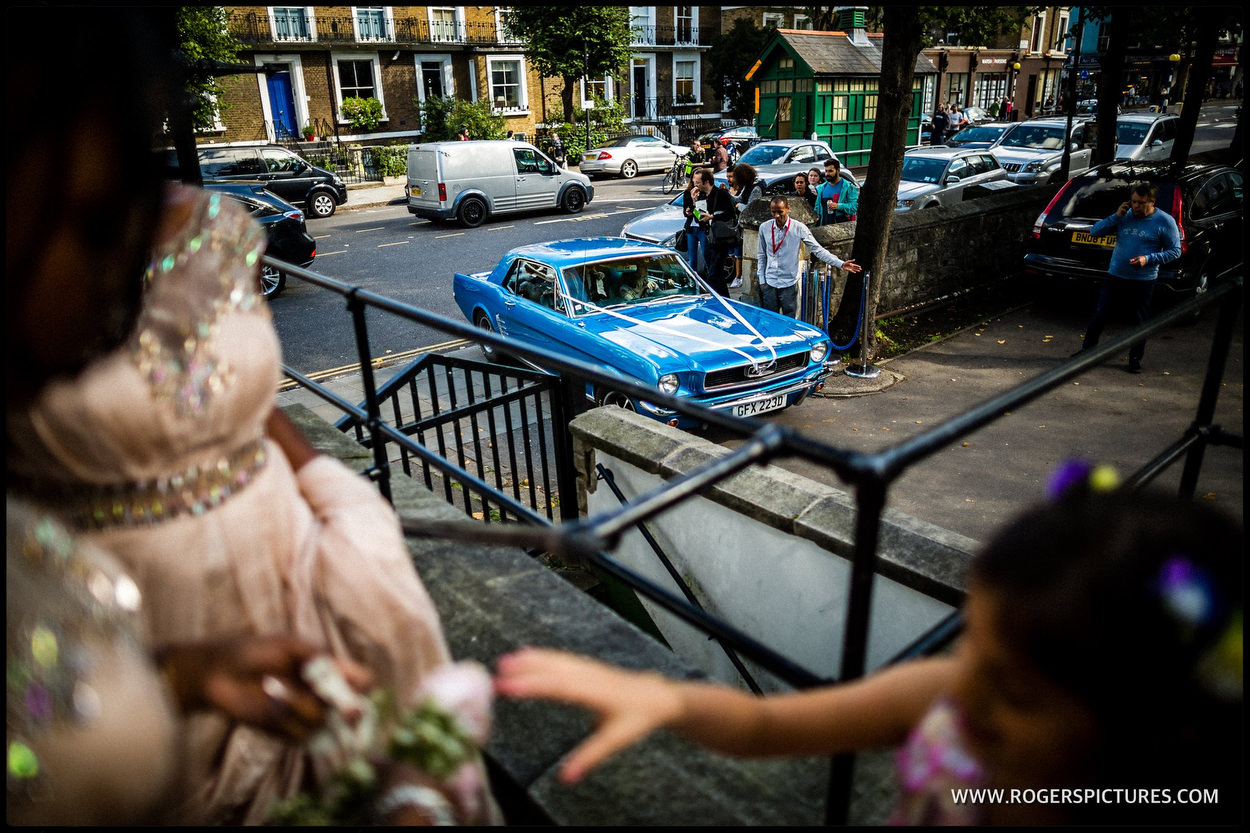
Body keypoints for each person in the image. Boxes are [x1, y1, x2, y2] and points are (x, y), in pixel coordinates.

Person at [5, 8, 497, 826]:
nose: (116, 277)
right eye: (90, 222)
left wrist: (343, 507)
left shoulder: (217, 227)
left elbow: (251, 401)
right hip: (130, 585)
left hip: (277, 560)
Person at [495, 469, 1242, 825]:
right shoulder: (946, 699)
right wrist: (667, 696)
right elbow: (766, 726)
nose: (966, 687)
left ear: (1152, 727)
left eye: (1015, 688)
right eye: (971, 642)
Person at [1072, 181, 1181, 374]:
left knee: (1139, 321)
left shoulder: (1164, 221)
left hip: (1143, 280)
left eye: (1141, 202)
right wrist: (1116, 216)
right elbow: (1095, 231)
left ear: (1152, 202)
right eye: (1133, 202)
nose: (1136, 206)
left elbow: (1175, 251)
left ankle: (1135, 359)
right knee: (1100, 313)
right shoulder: (1125, 215)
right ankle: (1087, 351)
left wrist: (1147, 259)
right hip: (1116, 275)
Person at [753, 196, 861, 318]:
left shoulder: (798, 228)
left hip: (789, 283)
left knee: (790, 322)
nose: (777, 216)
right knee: (769, 320)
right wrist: (762, 280)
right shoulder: (764, 227)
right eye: (773, 212)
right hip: (770, 283)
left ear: (788, 209)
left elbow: (818, 250)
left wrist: (840, 263)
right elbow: (761, 255)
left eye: (780, 212)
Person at [681, 167, 735, 295]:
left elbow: (730, 213)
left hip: (721, 237)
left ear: (706, 182)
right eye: (694, 182)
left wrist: (713, 216)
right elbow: (700, 217)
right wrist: (694, 203)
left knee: (714, 271)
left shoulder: (720, 193)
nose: (695, 185)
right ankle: (723, 296)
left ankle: (715, 295)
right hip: (710, 236)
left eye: (698, 182)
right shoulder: (703, 196)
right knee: (715, 271)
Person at [726, 163, 762, 289]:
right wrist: (727, 193)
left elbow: (752, 208)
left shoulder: (756, 189)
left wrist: (740, 206)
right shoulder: (747, 187)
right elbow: (738, 199)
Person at [814, 158, 859, 226]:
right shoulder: (820, 189)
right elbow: (817, 209)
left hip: (842, 228)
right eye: (826, 171)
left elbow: (854, 207)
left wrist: (838, 206)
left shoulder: (849, 187)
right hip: (824, 229)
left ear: (838, 170)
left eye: (830, 171)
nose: (827, 174)